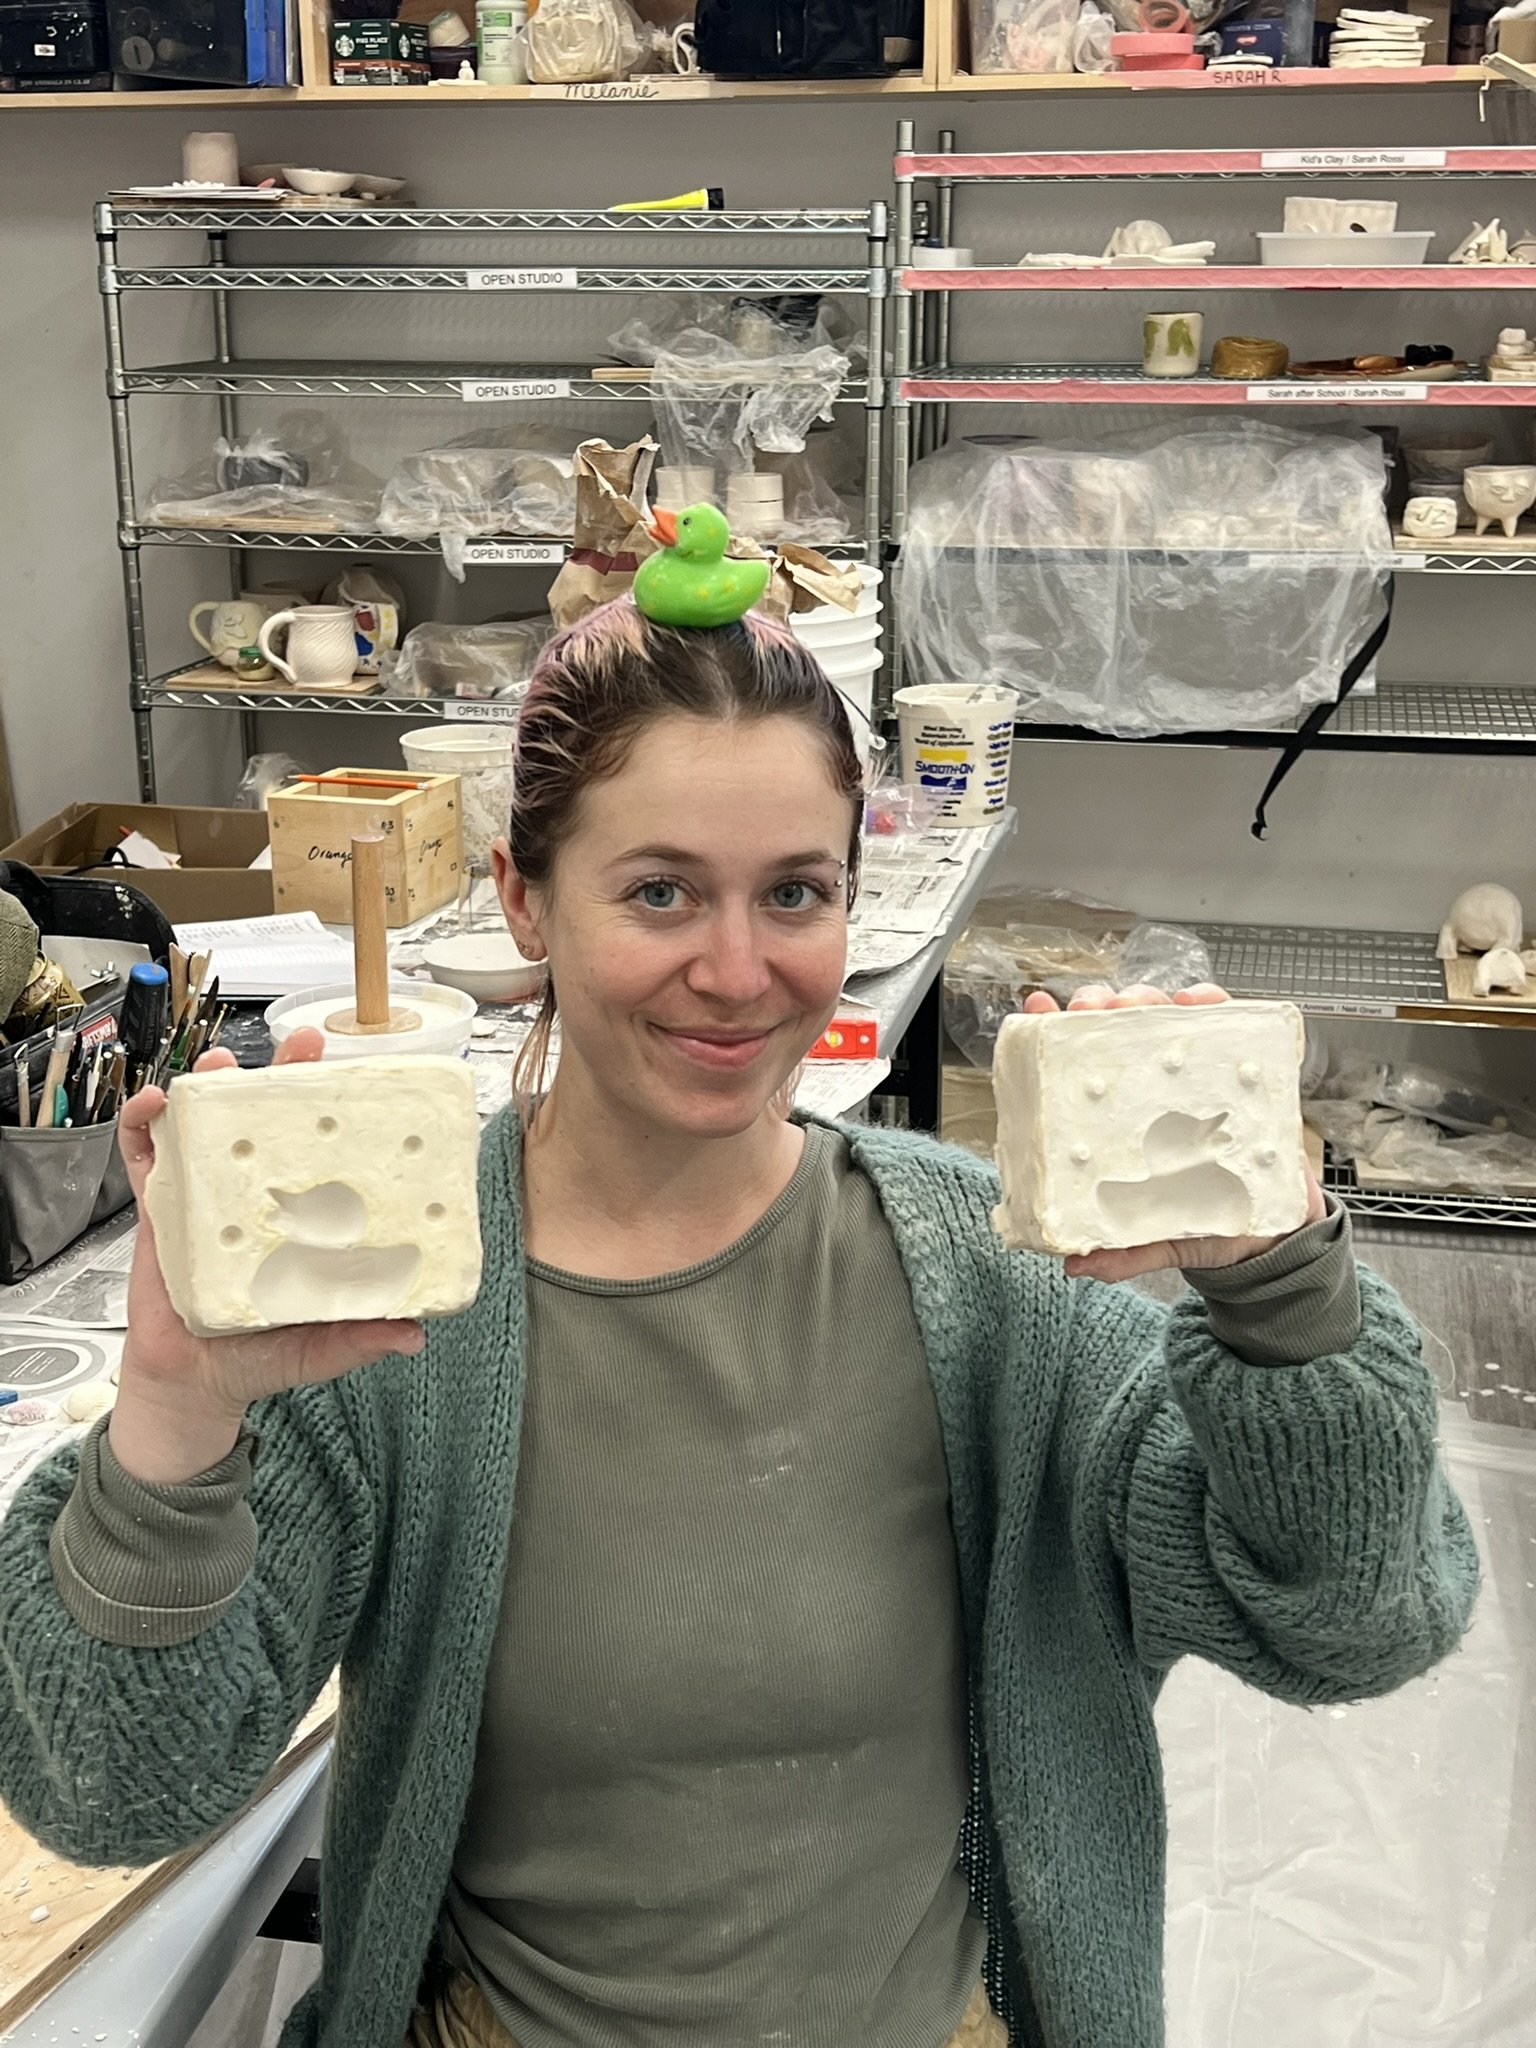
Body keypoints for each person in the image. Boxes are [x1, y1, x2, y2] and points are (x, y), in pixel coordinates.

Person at [0, 595, 1477, 2048]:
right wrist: (176, 1420)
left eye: (795, 891)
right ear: (523, 897)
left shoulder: (989, 1285)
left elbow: (1358, 1621)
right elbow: (117, 1793)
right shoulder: (385, 1323)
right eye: (657, 891)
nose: (736, 970)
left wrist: (1280, 1286)